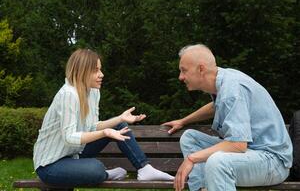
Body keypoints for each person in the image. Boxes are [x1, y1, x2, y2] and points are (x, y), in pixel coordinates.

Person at [33, 48, 174, 186]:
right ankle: (107, 174)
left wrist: (120, 118)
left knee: (119, 125)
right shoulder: (68, 94)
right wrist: (104, 133)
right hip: (50, 165)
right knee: (96, 168)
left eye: (100, 69)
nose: (101, 74)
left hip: (74, 155)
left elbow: (92, 126)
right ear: (82, 71)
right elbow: (69, 137)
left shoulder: (93, 92)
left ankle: (144, 169)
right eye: (95, 70)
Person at [162, 44, 293, 191]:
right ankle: (202, 188)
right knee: (190, 138)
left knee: (218, 162)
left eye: (184, 71)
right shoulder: (223, 80)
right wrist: (183, 121)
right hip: (251, 154)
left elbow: (237, 145)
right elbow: (215, 106)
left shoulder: (232, 90)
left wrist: (192, 158)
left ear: (201, 69)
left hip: (273, 161)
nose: (181, 77)